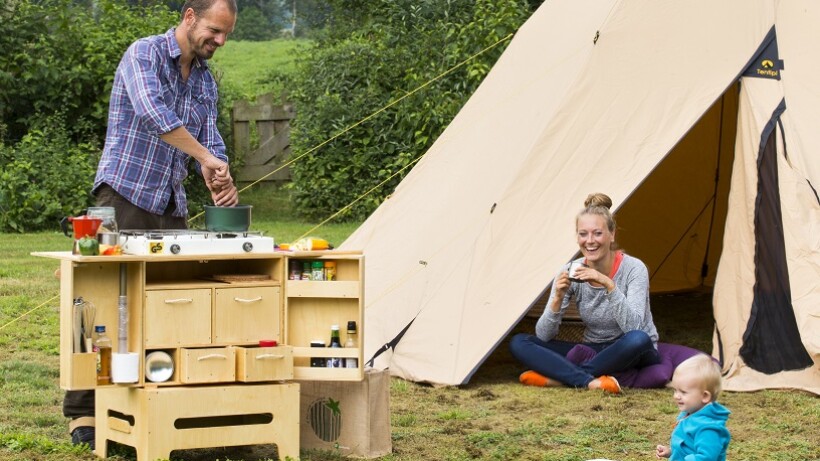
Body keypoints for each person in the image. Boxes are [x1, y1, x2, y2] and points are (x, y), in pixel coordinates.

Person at [64, 0, 239, 449]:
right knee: (100, 307)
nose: (219, 41)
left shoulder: (203, 79)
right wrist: (203, 155)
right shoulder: (143, 54)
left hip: (170, 201)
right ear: (189, 16)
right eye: (214, 31)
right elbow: (153, 114)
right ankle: (83, 413)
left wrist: (218, 173)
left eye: (225, 35)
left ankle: (149, 403)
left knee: (166, 307)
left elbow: (210, 135)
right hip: (123, 195)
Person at [509, 193, 660, 393]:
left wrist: (607, 284)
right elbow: (544, 336)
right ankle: (588, 381)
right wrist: (557, 299)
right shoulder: (570, 270)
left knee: (638, 338)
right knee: (520, 341)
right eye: (583, 234)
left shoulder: (634, 268)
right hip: (594, 350)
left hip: (632, 348)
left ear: (612, 234)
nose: (590, 241)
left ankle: (564, 377)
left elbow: (634, 327)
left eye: (597, 233)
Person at [656, 354, 731, 460]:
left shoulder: (708, 428)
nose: (676, 396)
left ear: (705, 396)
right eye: (675, 390)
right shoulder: (689, 415)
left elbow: (706, 458)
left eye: (683, 392)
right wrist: (671, 453)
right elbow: (688, 448)